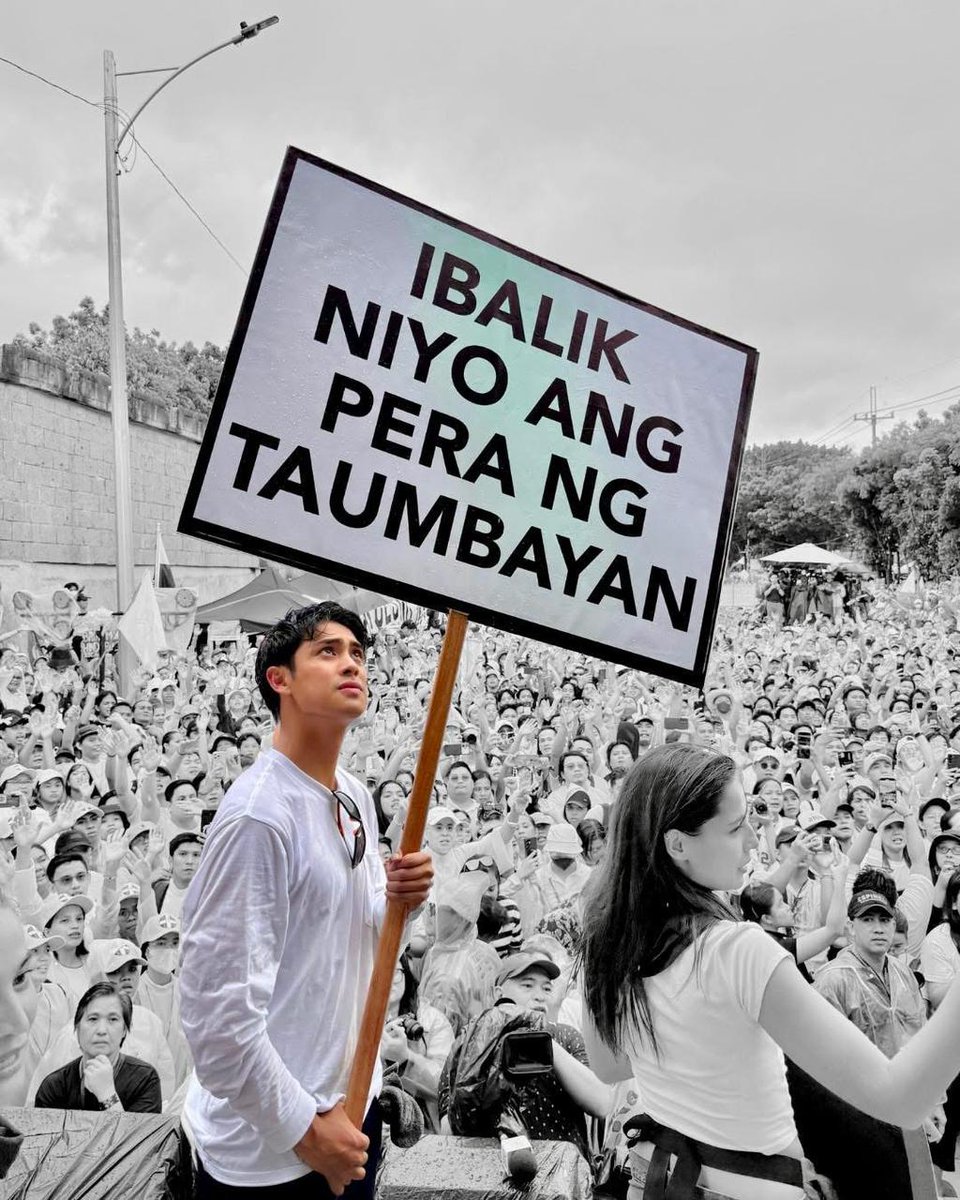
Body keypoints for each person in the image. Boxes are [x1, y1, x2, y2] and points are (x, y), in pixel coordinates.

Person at [581, 744, 960, 1200]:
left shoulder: (608, 936)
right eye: (737, 827)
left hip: (667, 1182)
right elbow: (901, 1098)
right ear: (677, 843)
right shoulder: (737, 951)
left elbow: (609, 1066)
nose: (751, 841)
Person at [178, 602, 433, 1199]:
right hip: (272, 1151)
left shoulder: (353, 794)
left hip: (348, 1104)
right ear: (280, 680)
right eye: (328, 651)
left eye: (359, 654)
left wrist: (402, 897)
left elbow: (363, 922)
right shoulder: (257, 817)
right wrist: (303, 1129)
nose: (353, 665)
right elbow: (217, 1022)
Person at [34, 980, 161, 1113]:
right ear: (77, 1027)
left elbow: (140, 1134)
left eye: (113, 1019)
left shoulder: (145, 1080)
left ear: (124, 1030)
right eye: (93, 1019)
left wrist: (107, 1094)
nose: (101, 1030)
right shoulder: (54, 1086)